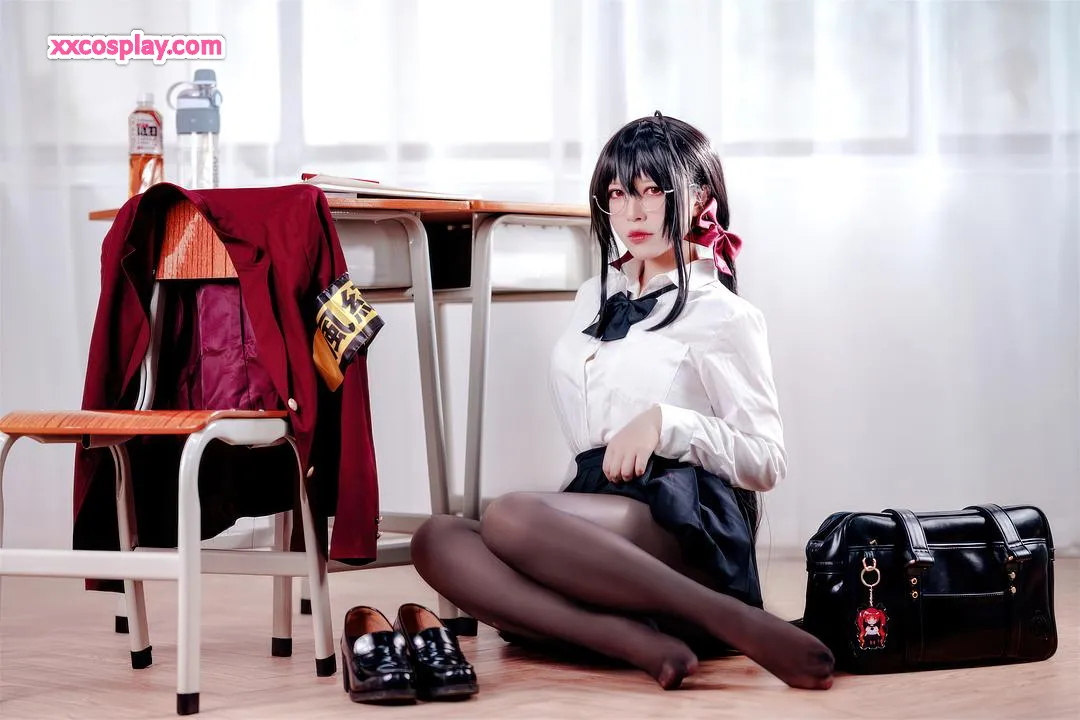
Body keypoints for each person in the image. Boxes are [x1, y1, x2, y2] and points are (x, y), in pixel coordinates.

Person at [410, 112, 835, 691]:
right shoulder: (593, 296)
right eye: (617, 194)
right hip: (597, 514)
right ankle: (635, 642)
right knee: (437, 538)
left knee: (508, 516)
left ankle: (730, 617)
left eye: (651, 192)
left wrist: (666, 424)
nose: (632, 212)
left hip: (677, 523)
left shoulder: (724, 314)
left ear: (698, 198)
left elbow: (767, 460)